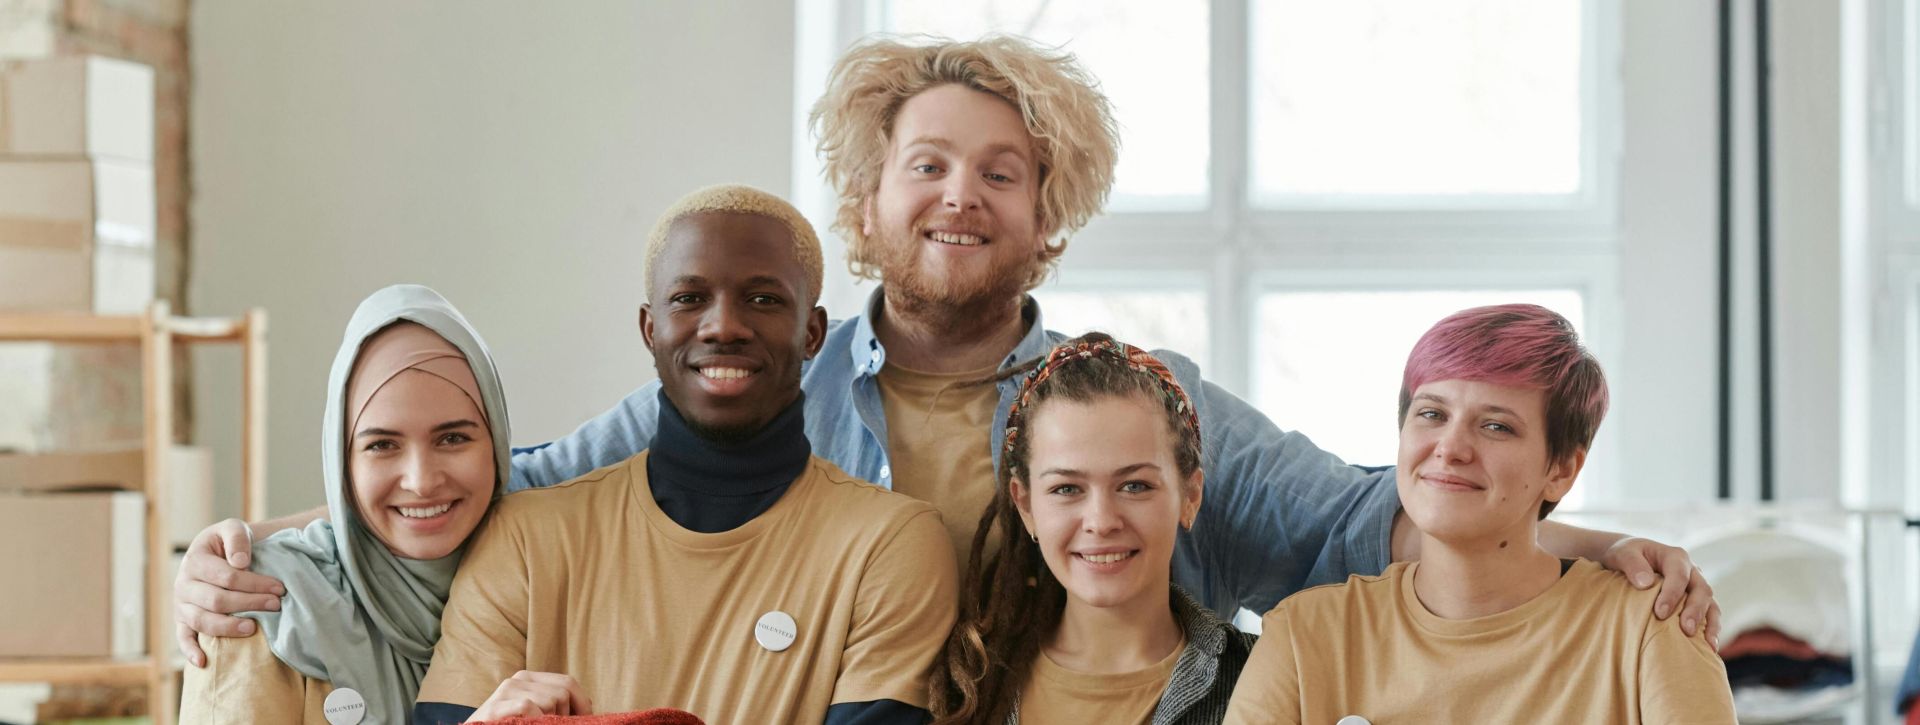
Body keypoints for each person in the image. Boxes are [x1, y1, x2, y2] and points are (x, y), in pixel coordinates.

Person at [172, 34, 1719, 667]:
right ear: (867, 195)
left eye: (1000, 170)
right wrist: (258, 553)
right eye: (927, 164)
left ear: (1050, 214)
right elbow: (500, 496)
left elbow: (1339, 526)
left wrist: (1571, 537)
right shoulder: (761, 390)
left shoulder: (1135, 400)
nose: (959, 195)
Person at [410, 185, 958, 724]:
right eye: (689, 299)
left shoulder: (888, 544)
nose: (723, 326)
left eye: (763, 299)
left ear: (812, 333)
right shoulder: (523, 539)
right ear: (651, 329)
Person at [1223, 304, 1737, 724]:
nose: (1450, 448)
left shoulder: (1649, 626)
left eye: (1496, 427)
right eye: (1432, 414)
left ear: (1561, 469)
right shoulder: (1302, 636)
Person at [178, 284, 511, 724]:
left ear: (498, 445)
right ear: (342, 462)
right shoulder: (262, 602)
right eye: (382, 445)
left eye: (453, 438)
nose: (421, 481)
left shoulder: (543, 584)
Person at [931, 334, 1254, 724]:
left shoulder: (1266, 676)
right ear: (1026, 505)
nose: (1101, 522)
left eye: (1135, 486)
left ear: (1190, 496)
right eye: (1066, 489)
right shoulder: (964, 689)